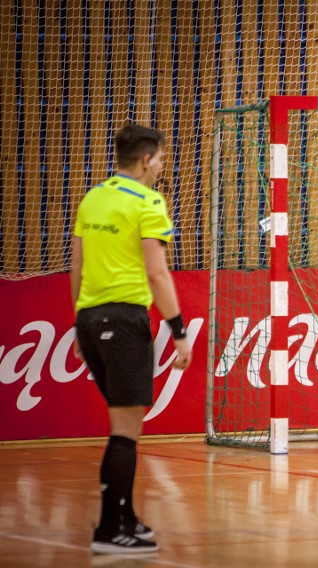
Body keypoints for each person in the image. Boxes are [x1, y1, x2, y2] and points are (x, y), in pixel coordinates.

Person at [70, 123, 192, 554]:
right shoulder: (149, 202)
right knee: (125, 430)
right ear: (146, 159)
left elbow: (77, 265)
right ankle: (108, 530)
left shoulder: (93, 197)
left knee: (124, 427)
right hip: (123, 321)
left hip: (89, 320)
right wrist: (178, 332)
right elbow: (158, 273)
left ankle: (124, 516)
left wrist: (76, 323)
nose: (161, 165)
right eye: (160, 158)